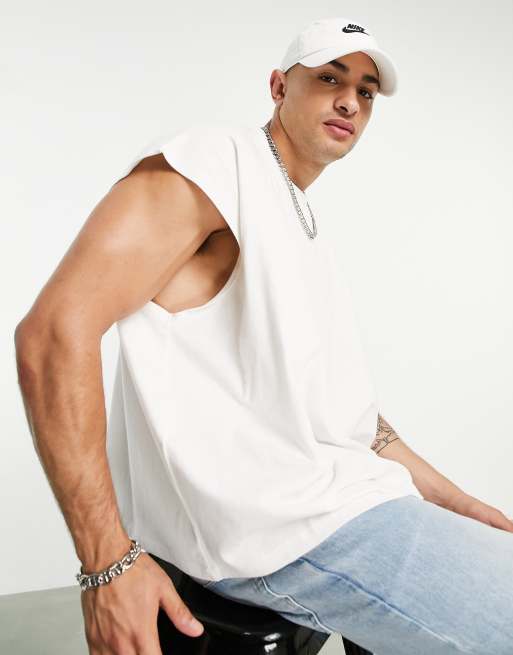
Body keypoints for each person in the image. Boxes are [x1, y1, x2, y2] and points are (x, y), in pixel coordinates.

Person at [14, 16, 513, 655]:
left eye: (365, 91)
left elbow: (344, 419)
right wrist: (106, 565)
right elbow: (53, 333)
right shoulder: (215, 162)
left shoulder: (299, 216)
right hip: (290, 538)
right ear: (278, 87)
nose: (349, 101)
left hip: (353, 506)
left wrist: (455, 500)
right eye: (329, 78)